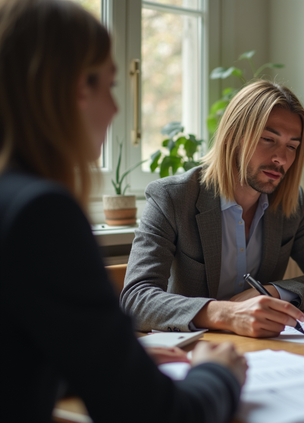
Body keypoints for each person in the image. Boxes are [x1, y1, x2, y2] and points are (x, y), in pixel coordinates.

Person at [0, 0, 247, 421]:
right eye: (110, 86)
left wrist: (100, 366)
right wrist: (217, 374)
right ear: (78, 87)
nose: (116, 109)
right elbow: (159, 415)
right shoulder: (43, 215)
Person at [121, 80, 304, 337]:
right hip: (194, 352)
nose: (282, 158)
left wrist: (268, 292)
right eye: (268, 139)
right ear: (234, 135)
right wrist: (227, 313)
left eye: (292, 146)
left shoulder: (291, 203)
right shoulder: (172, 198)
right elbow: (136, 299)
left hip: (262, 350)